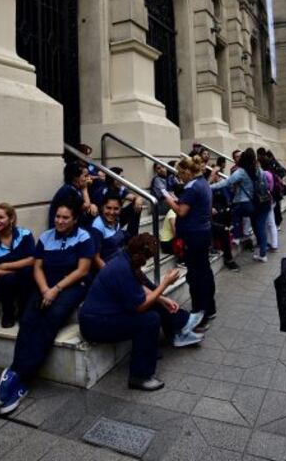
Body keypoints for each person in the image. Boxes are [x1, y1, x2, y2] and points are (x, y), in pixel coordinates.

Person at [0, 202, 95, 414]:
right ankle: (14, 375)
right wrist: (44, 289)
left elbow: (82, 270)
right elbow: (38, 267)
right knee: (28, 319)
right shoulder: (46, 237)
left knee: (51, 319)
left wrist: (55, 290)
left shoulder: (83, 237)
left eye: (65, 217)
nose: (59, 220)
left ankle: (20, 376)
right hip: (45, 285)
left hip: (71, 285)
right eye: (58, 216)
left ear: (75, 219)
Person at [79, 234, 204, 390]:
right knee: (149, 319)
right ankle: (140, 377)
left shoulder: (126, 258)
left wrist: (162, 299)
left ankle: (179, 328)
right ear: (141, 254)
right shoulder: (122, 267)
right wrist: (164, 284)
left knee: (155, 303)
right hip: (95, 323)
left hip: (106, 314)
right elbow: (140, 307)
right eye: (148, 257)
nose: (147, 262)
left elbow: (139, 286)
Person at [163, 156, 216, 329]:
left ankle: (200, 315)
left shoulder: (192, 186)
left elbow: (181, 211)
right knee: (205, 271)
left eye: (180, 173)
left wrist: (168, 199)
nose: (179, 176)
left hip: (194, 235)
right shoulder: (204, 183)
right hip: (203, 231)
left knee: (195, 275)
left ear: (187, 171)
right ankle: (209, 308)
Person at [209, 148, 270, 262]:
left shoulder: (241, 172)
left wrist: (209, 186)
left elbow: (226, 182)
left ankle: (237, 236)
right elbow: (266, 186)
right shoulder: (259, 170)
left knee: (234, 211)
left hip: (247, 203)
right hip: (262, 202)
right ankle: (262, 253)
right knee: (260, 227)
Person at [0, 203, 36, 328]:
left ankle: (24, 312)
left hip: (25, 281)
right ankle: (8, 314)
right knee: (10, 278)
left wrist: (6, 266)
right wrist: (14, 272)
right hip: (3, 285)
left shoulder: (25, 235)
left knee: (28, 272)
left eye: (0, 217)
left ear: (11, 219)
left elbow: (32, 260)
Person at [88, 192, 129, 270]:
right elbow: (96, 258)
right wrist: (110, 274)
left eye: (116, 209)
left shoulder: (116, 220)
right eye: (108, 208)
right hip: (107, 270)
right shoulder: (97, 226)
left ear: (120, 209)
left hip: (120, 262)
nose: (112, 212)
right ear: (102, 207)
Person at [50, 162, 96, 228]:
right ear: (75, 177)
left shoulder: (75, 188)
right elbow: (85, 206)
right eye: (85, 176)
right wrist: (85, 189)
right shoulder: (68, 190)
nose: (88, 178)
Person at [259, 157, 279, 252]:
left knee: (268, 224)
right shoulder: (271, 173)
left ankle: (270, 244)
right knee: (272, 223)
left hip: (266, 200)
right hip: (272, 200)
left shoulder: (263, 173)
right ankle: (274, 243)